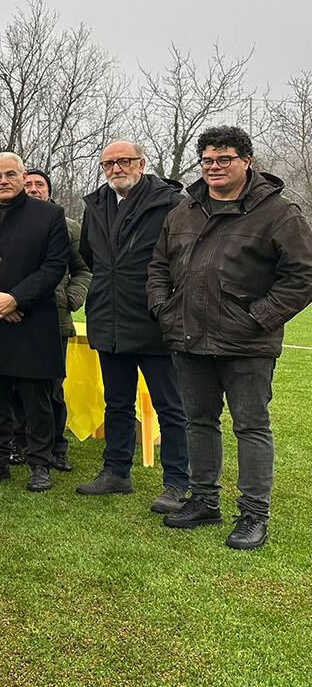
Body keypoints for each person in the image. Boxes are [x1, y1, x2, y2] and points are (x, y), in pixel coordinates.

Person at [149, 126, 312, 549]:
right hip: (188, 338)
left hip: (247, 344)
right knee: (197, 421)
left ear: (247, 162)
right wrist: (163, 309)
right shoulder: (183, 212)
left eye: (224, 159)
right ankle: (204, 500)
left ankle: (254, 515)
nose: (214, 167)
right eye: (207, 160)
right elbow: (158, 266)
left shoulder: (279, 213)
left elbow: (303, 276)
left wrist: (259, 317)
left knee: (251, 426)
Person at [75, 141, 190, 513]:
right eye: (108, 163)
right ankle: (116, 472)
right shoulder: (96, 206)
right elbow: (91, 256)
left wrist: (165, 306)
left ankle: (176, 482)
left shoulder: (170, 203)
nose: (115, 169)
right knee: (117, 403)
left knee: (170, 407)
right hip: (108, 320)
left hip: (154, 321)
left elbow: (184, 260)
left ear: (141, 163)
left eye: (123, 161)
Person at [0, 152, 69, 492]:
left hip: (32, 321)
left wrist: (16, 298)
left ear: (22, 177)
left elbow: (54, 265)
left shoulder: (50, 215)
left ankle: (39, 464)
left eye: (10, 174)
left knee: (38, 400)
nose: (3, 181)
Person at [11, 169, 92, 471]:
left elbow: (84, 269)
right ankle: (19, 443)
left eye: (39, 184)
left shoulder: (67, 226)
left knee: (52, 389)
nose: (32, 189)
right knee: (15, 385)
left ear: (48, 190)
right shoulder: (8, 223)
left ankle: (57, 446)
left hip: (54, 319)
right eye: (28, 183)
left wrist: (71, 299)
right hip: (14, 318)